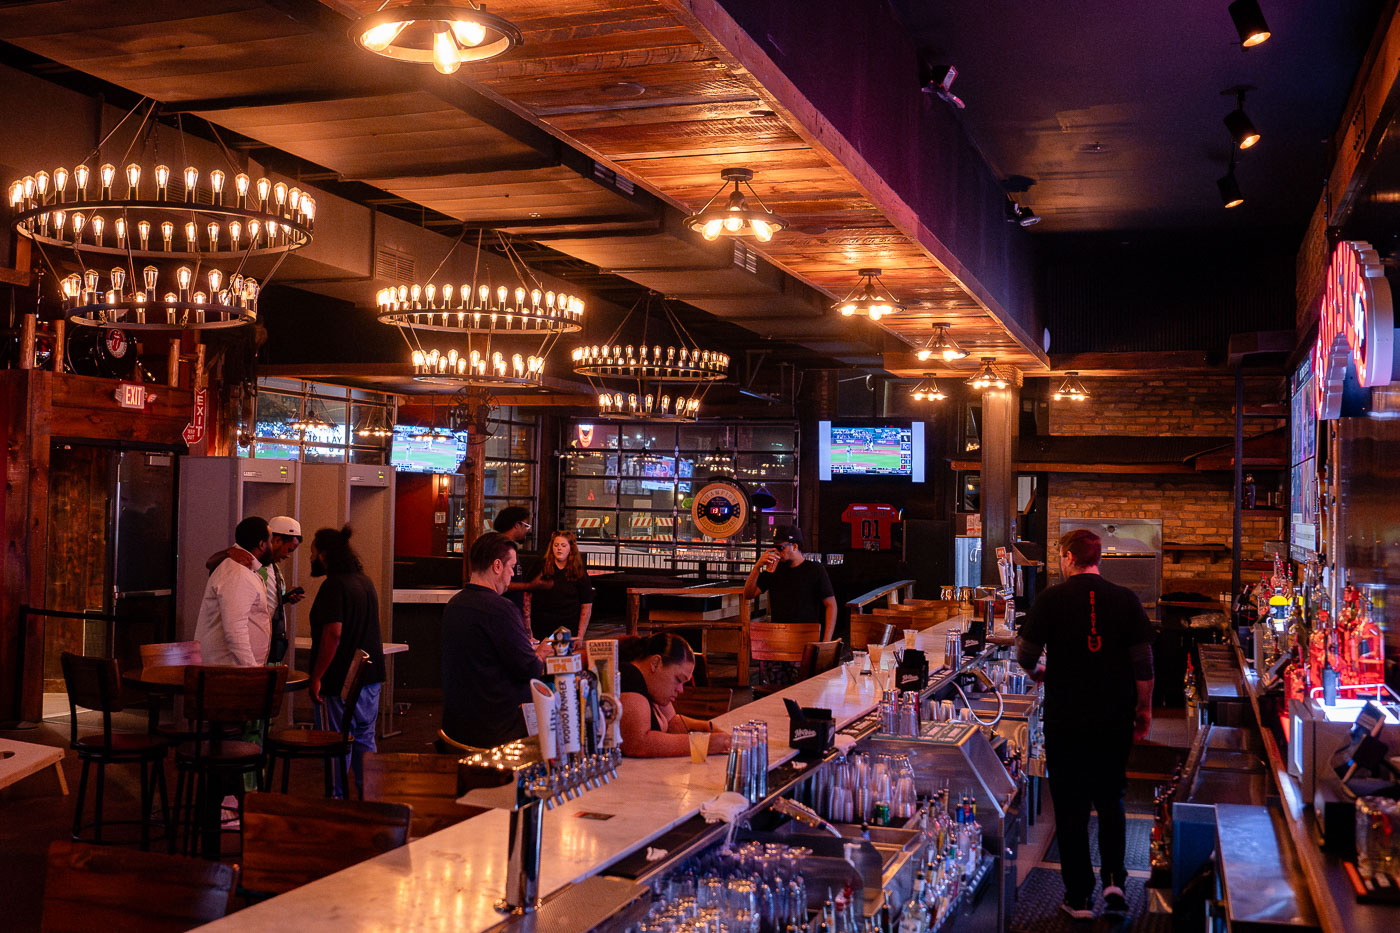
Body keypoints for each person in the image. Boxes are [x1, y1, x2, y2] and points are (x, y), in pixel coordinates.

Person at [1016, 529, 1154, 920]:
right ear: (1097, 559)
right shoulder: (1126, 599)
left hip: (1066, 720)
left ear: (1067, 557)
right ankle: (1114, 883)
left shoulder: (1051, 599)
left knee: (1071, 807)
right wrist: (1143, 710)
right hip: (1113, 719)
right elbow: (1144, 664)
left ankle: (1079, 898)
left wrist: (1041, 670)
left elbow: (1025, 654)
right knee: (1112, 799)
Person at [441, 532, 551, 749]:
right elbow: (529, 669)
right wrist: (541, 653)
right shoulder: (501, 609)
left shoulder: (454, 605)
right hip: (497, 730)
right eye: (512, 567)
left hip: (456, 727)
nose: (512, 576)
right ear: (497, 566)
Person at [306, 525, 387, 799]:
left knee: (336, 743)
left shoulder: (334, 586)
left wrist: (316, 675)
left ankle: (335, 802)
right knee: (365, 738)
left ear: (325, 555)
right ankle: (371, 800)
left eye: (312, 552)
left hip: (338, 680)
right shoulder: (364, 582)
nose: (310, 558)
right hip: (370, 676)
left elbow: (334, 633)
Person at [205, 515, 306, 663]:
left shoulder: (268, 568)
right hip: (238, 666)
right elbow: (235, 629)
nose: (288, 555)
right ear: (266, 543)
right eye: (289, 549)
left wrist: (284, 600)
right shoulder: (240, 568)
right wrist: (250, 668)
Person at [743, 525, 837, 683]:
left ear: (795, 546)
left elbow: (831, 605)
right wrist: (757, 567)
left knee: (804, 690)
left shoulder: (815, 570)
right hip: (777, 643)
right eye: (774, 548)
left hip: (805, 644)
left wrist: (825, 643)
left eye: (780, 547)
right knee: (773, 693)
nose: (777, 552)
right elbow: (748, 594)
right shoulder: (773, 570)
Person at [618, 633, 732, 758]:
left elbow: (672, 722)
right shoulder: (628, 675)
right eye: (678, 680)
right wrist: (708, 743)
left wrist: (708, 729)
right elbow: (638, 743)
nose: (681, 689)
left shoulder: (653, 687)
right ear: (655, 663)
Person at [194, 516, 274, 667]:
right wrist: (252, 671)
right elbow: (235, 630)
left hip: (235, 669)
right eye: (270, 541)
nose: (272, 546)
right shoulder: (238, 573)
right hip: (231, 671)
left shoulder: (244, 570)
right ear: (262, 544)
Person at [524, 530, 594, 641]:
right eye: (556, 545)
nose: (559, 548)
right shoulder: (540, 566)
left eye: (563, 545)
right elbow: (527, 598)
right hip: (541, 629)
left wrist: (580, 636)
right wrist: (528, 632)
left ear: (571, 548)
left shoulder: (578, 571)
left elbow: (586, 605)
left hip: (568, 630)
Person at [495, 506, 533, 611]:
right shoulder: (501, 547)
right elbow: (499, 582)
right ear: (517, 525)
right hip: (504, 610)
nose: (527, 530)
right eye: (526, 526)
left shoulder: (510, 547)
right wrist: (530, 586)